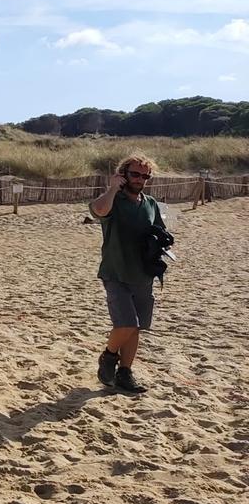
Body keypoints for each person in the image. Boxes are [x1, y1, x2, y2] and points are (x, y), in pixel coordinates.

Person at [88, 154, 165, 394]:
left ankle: (125, 373)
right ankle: (109, 356)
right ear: (123, 174)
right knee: (126, 324)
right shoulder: (114, 200)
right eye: (135, 174)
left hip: (143, 274)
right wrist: (112, 188)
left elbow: (159, 230)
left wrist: (162, 244)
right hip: (116, 272)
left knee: (136, 327)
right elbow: (98, 211)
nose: (140, 179)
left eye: (145, 176)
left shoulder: (150, 203)